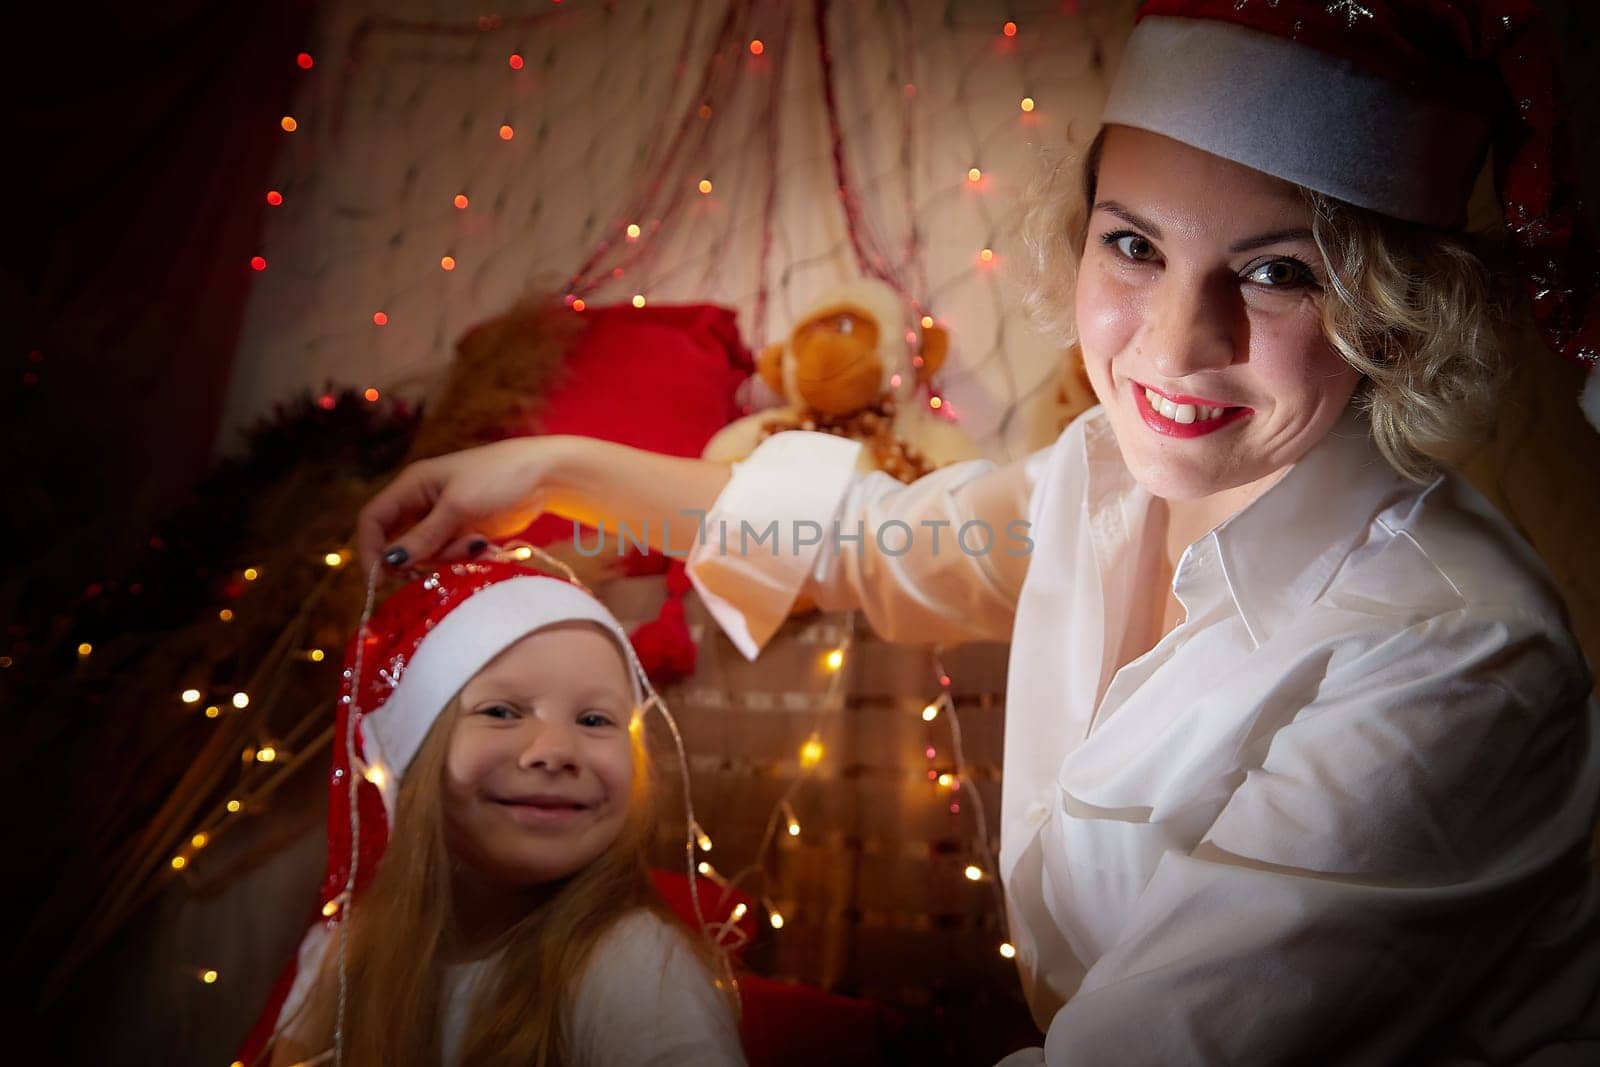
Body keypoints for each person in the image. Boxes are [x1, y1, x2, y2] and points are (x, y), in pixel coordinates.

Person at [355, 1, 1600, 1062]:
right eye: (1133, 246)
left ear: (1397, 307)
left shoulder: (1452, 654)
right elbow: (865, 538)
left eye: (1278, 271)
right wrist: (554, 464)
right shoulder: (1103, 481)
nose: (1173, 344)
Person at [239, 560, 745, 1067]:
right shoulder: (345, 948)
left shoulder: (637, 972)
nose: (553, 750)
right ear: (411, 758)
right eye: (501, 711)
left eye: (595, 719)